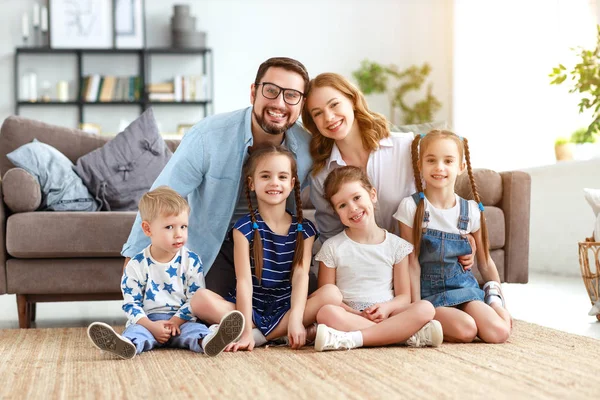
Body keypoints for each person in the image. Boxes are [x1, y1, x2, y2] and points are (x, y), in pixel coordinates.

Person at [121, 57, 313, 299]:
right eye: (271, 91)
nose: (279, 103)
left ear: (301, 103)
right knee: (202, 305)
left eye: (291, 95)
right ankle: (256, 324)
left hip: (277, 249)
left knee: (316, 298)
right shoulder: (208, 136)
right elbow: (162, 197)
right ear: (254, 93)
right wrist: (133, 260)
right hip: (219, 247)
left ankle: (258, 326)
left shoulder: (308, 148)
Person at [301, 73, 474, 269]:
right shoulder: (321, 176)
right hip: (363, 269)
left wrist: (464, 238)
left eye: (334, 105)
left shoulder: (406, 147)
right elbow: (331, 236)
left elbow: (444, 199)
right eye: (317, 113)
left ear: (352, 99)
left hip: (419, 264)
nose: (329, 117)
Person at [190, 145, 342, 351]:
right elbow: (243, 282)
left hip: (287, 306)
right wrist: (244, 330)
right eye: (265, 176)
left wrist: (296, 319)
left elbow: (300, 276)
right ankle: (269, 333)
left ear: (292, 183)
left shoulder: (304, 229)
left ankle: (260, 335)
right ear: (252, 184)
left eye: (282, 177)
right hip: (249, 307)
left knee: (332, 294)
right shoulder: (243, 228)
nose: (274, 183)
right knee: (200, 300)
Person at [87, 186, 245, 359]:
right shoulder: (137, 264)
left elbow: (194, 298)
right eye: (169, 227)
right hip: (148, 321)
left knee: (196, 331)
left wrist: (176, 321)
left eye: (183, 227)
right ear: (148, 229)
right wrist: (151, 326)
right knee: (136, 333)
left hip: (182, 320)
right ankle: (127, 345)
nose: (179, 234)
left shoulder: (192, 260)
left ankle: (208, 341)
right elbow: (131, 304)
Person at [394, 130, 512, 343]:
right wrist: (416, 308)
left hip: (464, 287)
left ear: (461, 167)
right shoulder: (410, 207)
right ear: (420, 165)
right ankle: (432, 325)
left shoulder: (472, 211)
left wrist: (498, 296)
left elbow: (485, 261)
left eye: (448, 161)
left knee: (500, 332)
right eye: (431, 160)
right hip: (429, 295)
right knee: (466, 331)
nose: (439, 167)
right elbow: (410, 263)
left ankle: (492, 301)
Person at [313, 166, 443, 351]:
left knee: (425, 308)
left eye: (357, 198)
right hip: (351, 314)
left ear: (372, 194)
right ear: (336, 212)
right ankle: (403, 336)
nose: (353, 208)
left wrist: (386, 308)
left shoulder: (396, 246)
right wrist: (357, 313)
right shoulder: (332, 247)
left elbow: (404, 297)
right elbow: (327, 296)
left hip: (388, 313)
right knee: (326, 313)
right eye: (342, 205)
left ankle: (355, 338)